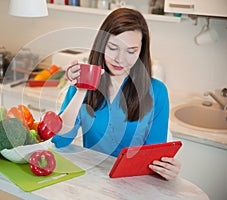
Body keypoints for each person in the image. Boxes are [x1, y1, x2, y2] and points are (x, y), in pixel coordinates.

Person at [51, 8, 181, 180]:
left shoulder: (157, 92)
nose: (120, 59)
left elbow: (153, 159)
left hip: (133, 183)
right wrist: (81, 90)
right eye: (113, 48)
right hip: (92, 180)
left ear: (141, 51)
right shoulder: (83, 83)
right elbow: (60, 140)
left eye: (131, 51)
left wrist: (166, 169)